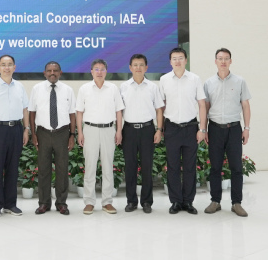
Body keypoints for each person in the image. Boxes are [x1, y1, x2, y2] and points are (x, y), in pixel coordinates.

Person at [203, 48, 252, 217]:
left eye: (226, 58)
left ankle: (236, 203)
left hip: (234, 129)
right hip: (215, 129)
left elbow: (245, 105)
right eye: (220, 58)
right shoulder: (208, 83)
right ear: (215, 61)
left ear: (231, 61)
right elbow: (205, 107)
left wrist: (247, 128)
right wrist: (204, 129)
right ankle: (215, 201)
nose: (223, 61)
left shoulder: (240, 81)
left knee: (236, 167)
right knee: (215, 167)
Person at [159, 47, 206, 215]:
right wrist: (160, 128)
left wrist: (202, 129)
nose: (177, 61)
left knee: (189, 167)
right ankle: (176, 201)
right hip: (171, 128)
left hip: (190, 128)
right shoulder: (164, 79)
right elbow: (161, 106)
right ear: (170, 61)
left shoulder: (194, 79)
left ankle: (188, 201)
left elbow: (202, 105)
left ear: (186, 60)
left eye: (180, 58)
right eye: (174, 58)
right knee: (172, 166)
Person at [0, 55, 29, 218]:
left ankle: (10, 204)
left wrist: (26, 129)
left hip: (16, 129)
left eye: (9, 65)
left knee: (13, 168)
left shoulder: (20, 86)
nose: (6, 67)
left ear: (14, 67)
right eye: (3, 64)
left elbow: (25, 110)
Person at [76, 59, 124, 215]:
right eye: (96, 69)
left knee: (108, 167)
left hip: (108, 130)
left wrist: (119, 131)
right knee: (90, 167)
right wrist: (80, 132)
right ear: (91, 71)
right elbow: (79, 112)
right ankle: (89, 202)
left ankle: (107, 202)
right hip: (90, 130)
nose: (99, 72)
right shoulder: (84, 89)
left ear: (106, 71)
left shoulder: (113, 88)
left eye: (102, 69)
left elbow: (118, 111)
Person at [28, 61, 76, 215]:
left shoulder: (68, 90)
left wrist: (72, 135)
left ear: (60, 73)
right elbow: (32, 112)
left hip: (62, 133)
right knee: (43, 169)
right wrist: (33, 134)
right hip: (43, 133)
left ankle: (61, 203)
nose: (52, 73)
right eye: (49, 70)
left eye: (55, 70)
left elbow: (72, 114)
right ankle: (44, 203)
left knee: (62, 169)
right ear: (44, 73)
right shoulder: (36, 89)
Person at [120, 54, 164, 214]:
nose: (138, 68)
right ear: (130, 68)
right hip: (129, 130)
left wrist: (159, 129)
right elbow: (119, 111)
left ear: (146, 67)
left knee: (147, 166)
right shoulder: (123, 87)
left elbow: (159, 110)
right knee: (130, 167)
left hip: (147, 130)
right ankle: (131, 201)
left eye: (141, 65)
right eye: (135, 65)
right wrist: (118, 131)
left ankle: (146, 201)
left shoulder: (152, 87)